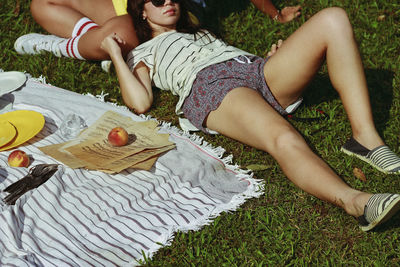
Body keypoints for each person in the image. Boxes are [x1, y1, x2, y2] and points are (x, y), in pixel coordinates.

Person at [99, 0, 400, 232]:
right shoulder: (144, 52)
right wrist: (115, 52)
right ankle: (354, 202)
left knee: (333, 18)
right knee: (281, 137)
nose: (169, 2)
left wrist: (272, 60)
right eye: (157, 0)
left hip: (253, 69)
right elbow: (139, 101)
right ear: (141, 11)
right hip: (212, 86)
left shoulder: (199, 32)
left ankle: (365, 138)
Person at [14, 0, 301, 65]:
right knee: (42, 4)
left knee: (114, 38)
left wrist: (276, 14)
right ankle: (98, 47)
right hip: (126, 4)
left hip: (162, 11)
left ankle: (59, 46)